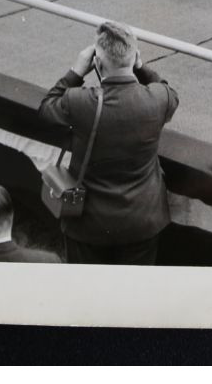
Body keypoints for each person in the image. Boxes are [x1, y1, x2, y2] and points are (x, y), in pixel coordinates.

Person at [38, 22, 179, 265]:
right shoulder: (159, 99)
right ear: (133, 57)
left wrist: (75, 71)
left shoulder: (80, 101)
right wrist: (142, 67)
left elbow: (46, 109)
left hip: (88, 224)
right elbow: (167, 89)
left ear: (97, 63)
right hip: (143, 220)